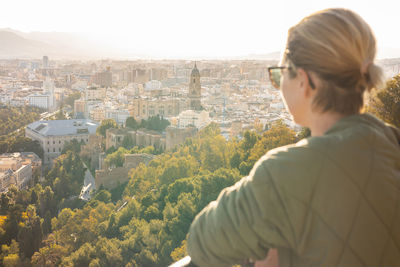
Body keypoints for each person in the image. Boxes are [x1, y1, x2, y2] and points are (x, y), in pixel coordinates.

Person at [186, 8, 400, 267]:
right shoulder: (392, 144)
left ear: (305, 80)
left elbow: (202, 241)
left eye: (279, 74)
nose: (277, 84)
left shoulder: (287, 172)